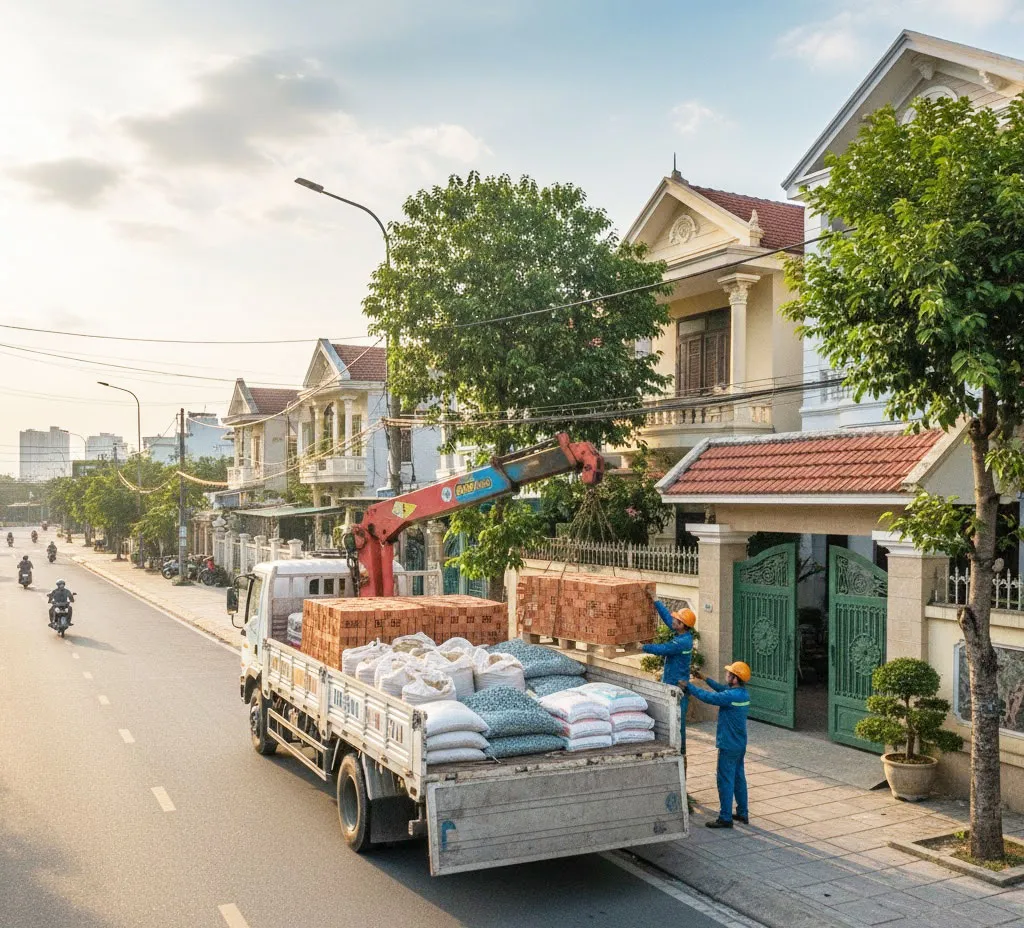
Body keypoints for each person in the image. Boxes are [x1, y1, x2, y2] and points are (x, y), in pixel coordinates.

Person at [686, 661, 752, 829]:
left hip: (728, 745)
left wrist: (689, 686)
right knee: (739, 778)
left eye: (729, 674)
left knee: (725, 780)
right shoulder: (742, 694)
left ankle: (725, 818)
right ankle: (743, 813)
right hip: (739, 744)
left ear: (735, 679)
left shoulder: (730, 697)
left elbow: (709, 697)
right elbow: (721, 689)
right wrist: (705, 678)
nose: (726, 675)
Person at [640, 593, 696, 754]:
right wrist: (655, 600)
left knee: (678, 722)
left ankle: (680, 752)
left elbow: (664, 649)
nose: (673, 621)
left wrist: (643, 647)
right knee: (670, 719)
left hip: (677, 686)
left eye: (676, 620)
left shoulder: (682, 642)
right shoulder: (682, 633)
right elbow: (667, 618)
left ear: (682, 624)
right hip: (671, 681)